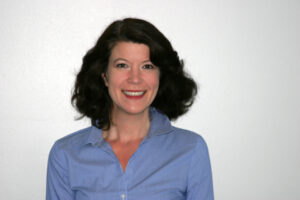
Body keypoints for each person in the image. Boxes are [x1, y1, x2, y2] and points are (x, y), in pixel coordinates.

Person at [46, 18, 214, 200]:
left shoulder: (191, 150)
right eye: (122, 65)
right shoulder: (65, 155)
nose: (135, 78)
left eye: (147, 66)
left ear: (160, 76)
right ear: (104, 75)